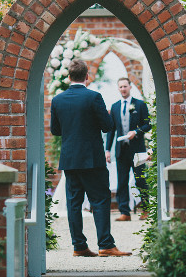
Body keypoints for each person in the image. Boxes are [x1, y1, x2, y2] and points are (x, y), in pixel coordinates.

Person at [51, 58, 131, 257]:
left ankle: (79, 246)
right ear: (87, 76)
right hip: (92, 159)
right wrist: (106, 115)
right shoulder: (94, 97)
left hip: (70, 159)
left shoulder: (57, 100)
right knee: (100, 200)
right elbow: (108, 126)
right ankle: (105, 245)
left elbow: (55, 130)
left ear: (69, 77)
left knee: (74, 203)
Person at [105, 77, 151, 221]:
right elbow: (111, 131)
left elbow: (148, 124)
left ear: (130, 87)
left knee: (140, 179)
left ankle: (146, 209)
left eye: (125, 86)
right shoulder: (115, 106)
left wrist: (136, 132)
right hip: (121, 150)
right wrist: (107, 150)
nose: (123, 89)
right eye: (120, 87)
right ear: (118, 89)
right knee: (122, 181)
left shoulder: (140, 105)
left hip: (137, 149)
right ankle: (125, 212)